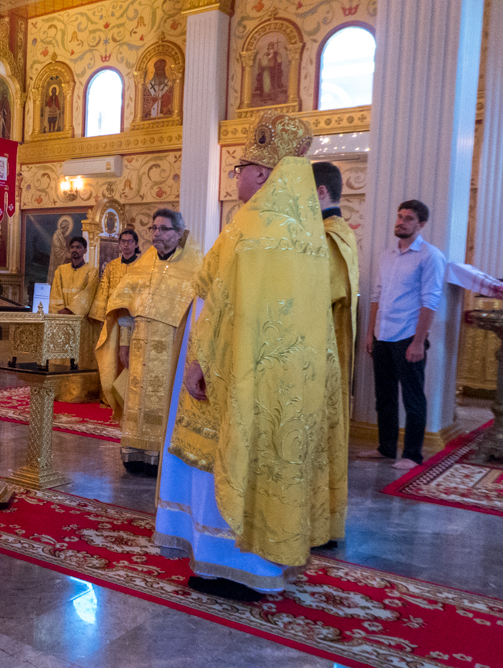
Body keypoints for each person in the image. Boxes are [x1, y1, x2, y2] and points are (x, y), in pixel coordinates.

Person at [154, 111, 339, 602]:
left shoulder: (248, 229)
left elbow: (219, 306)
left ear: (263, 173)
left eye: (240, 169)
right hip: (285, 386)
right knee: (269, 464)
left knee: (223, 459)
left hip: (231, 374)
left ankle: (221, 564)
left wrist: (198, 365)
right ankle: (266, 564)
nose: (237, 179)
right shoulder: (308, 236)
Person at [96, 212, 201, 473]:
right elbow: (126, 310)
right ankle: (134, 455)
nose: (156, 234)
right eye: (153, 228)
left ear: (179, 233)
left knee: (165, 400)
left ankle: (160, 458)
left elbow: (198, 316)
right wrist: (123, 344)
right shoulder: (143, 264)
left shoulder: (194, 267)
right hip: (139, 347)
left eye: (163, 229)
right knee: (137, 401)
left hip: (171, 350)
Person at [366, 199, 446, 469]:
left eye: (409, 218)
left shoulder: (429, 255)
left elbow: (430, 301)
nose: (401, 221)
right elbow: (377, 296)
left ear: (421, 224)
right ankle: (386, 448)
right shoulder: (386, 255)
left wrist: (418, 341)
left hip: (408, 337)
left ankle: (412, 455)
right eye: (399, 216)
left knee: (413, 398)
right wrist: (370, 334)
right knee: (384, 396)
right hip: (383, 335)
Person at [313, 160, 360, 546]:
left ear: (320, 193)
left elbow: (312, 294)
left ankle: (319, 521)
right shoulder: (335, 232)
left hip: (319, 351)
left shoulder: (328, 237)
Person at [90, 229, 140, 405]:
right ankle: (110, 394)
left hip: (134, 318)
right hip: (114, 317)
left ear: (136, 244)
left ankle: (130, 395)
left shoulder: (142, 266)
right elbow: (104, 289)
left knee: (131, 355)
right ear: (119, 245)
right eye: (123, 241)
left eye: (130, 241)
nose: (126, 245)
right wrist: (100, 315)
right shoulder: (111, 266)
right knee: (112, 355)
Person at [49, 236, 100, 369]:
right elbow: (55, 291)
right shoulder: (61, 270)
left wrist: (71, 310)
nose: (75, 250)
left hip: (80, 322)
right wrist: (60, 309)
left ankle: (78, 387)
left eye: (78, 247)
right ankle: (59, 384)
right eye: (72, 247)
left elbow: (89, 293)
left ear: (85, 250)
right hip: (62, 320)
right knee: (60, 357)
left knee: (78, 358)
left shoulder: (92, 271)